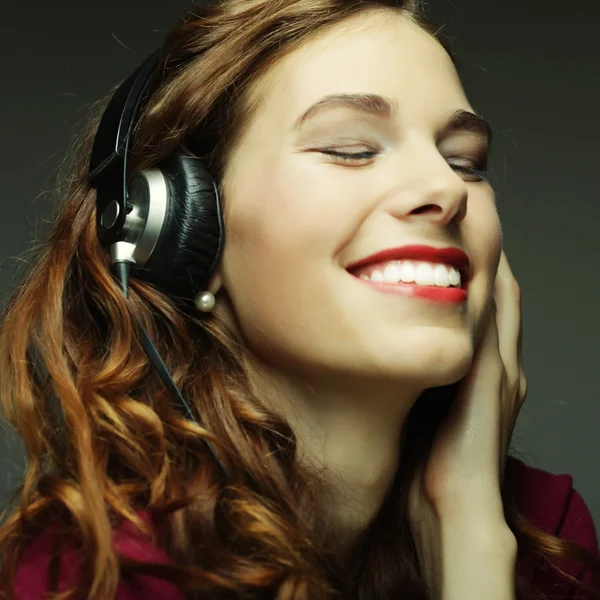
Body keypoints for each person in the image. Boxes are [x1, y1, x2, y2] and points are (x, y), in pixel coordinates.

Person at [0, 0, 598, 599]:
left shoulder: (545, 543)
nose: (445, 189)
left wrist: (474, 531)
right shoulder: (91, 576)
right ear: (180, 229)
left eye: (465, 161)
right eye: (351, 148)